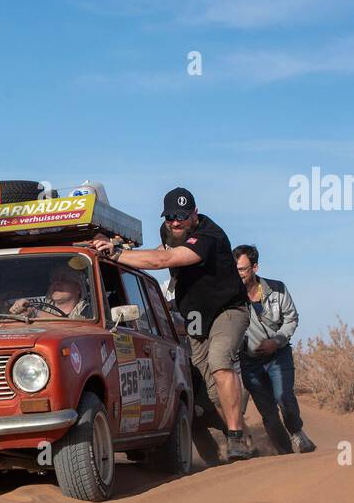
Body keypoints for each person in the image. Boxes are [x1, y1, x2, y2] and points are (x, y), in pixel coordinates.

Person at [91, 187, 253, 461]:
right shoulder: (169, 232)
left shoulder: (209, 236)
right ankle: (246, 436)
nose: (175, 222)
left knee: (220, 359)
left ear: (195, 214)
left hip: (228, 309)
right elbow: (160, 250)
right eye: (170, 217)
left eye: (182, 216)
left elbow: (166, 259)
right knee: (209, 387)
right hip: (195, 315)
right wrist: (122, 250)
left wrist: (116, 253)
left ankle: (235, 438)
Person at [233, 245, 316, 454]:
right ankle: (285, 455)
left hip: (279, 356)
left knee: (284, 398)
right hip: (249, 362)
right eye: (235, 269)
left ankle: (297, 433)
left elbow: (291, 318)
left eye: (242, 269)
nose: (239, 274)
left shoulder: (277, 288)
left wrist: (276, 341)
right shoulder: (230, 296)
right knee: (268, 413)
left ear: (255, 267)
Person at [9, 265, 92, 319]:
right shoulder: (39, 308)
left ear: (78, 288)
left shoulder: (89, 311)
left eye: (64, 279)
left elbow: (78, 327)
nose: (57, 282)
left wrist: (35, 313)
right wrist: (19, 310)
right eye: (54, 279)